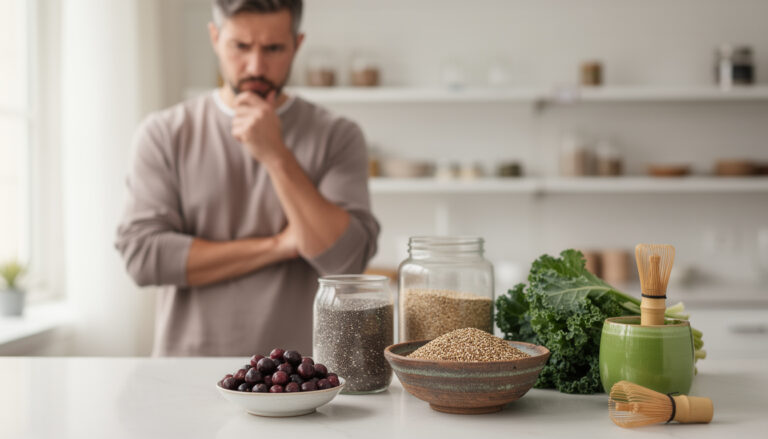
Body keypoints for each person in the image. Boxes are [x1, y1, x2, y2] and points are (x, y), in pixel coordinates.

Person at [115, 0, 379, 356]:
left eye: (273, 48)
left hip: (298, 379)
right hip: (183, 373)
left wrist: (274, 153)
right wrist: (280, 245)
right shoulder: (163, 133)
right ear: (215, 37)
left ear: (297, 45)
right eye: (240, 46)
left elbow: (345, 262)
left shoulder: (338, 135)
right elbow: (144, 258)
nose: (256, 66)